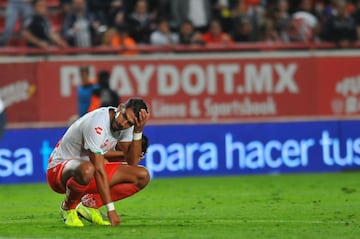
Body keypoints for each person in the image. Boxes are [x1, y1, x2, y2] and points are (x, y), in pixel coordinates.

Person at [46, 98, 150, 227]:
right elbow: (99, 169)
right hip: (59, 171)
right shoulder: (97, 123)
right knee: (88, 169)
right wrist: (111, 209)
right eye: (123, 116)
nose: (123, 123)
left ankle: (89, 205)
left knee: (142, 175)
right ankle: (68, 208)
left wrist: (138, 131)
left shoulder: (127, 127)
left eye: (130, 123)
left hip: (88, 171)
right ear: (120, 107)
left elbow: (132, 161)